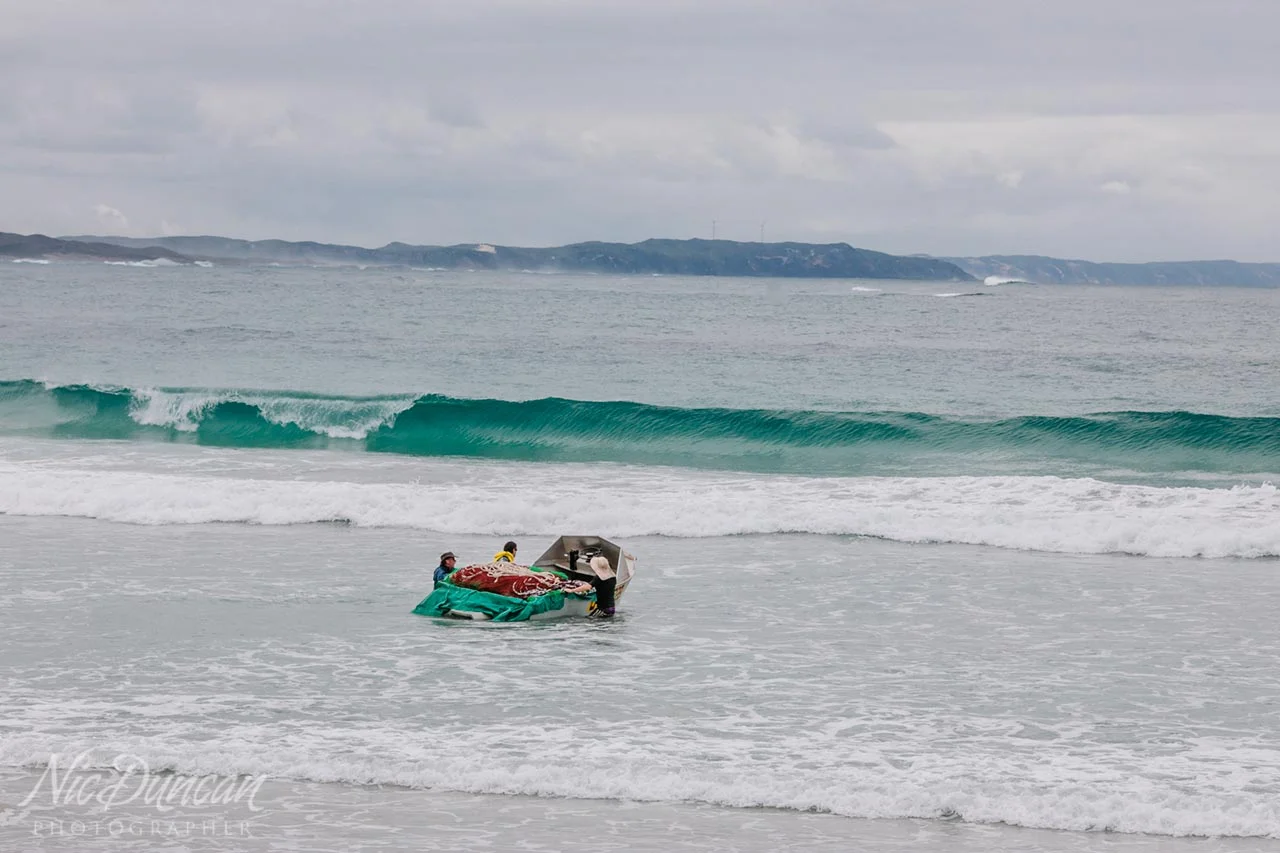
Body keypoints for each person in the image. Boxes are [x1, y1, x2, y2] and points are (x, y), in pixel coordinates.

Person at [568, 550, 618, 617]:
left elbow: (587, 587)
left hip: (602, 609)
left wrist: (572, 590)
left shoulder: (599, 578)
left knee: (588, 620)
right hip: (612, 608)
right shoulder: (612, 576)